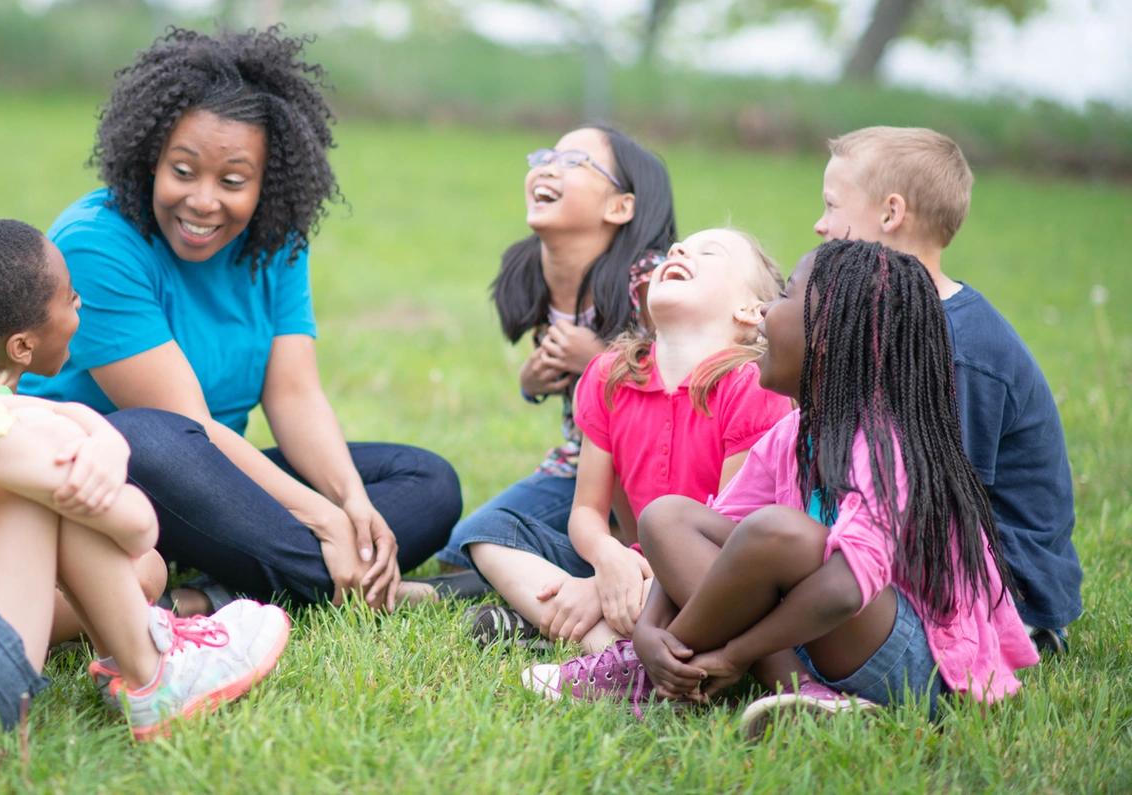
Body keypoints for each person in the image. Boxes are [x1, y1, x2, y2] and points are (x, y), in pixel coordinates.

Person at [20, 28, 462, 615]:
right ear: (151, 159)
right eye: (183, 171)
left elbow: (295, 394)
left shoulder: (275, 242)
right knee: (147, 436)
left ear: (265, 182)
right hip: (120, 481)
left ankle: (212, 593)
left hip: (218, 482)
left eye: (232, 181)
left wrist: (349, 502)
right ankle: (363, 587)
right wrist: (322, 519)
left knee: (427, 480)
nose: (203, 202)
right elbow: (187, 427)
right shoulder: (98, 245)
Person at [522, 242, 1039, 739]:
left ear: (833, 333)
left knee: (776, 532)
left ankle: (653, 674)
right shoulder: (791, 436)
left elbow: (844, 588)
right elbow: (708, 536)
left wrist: (733, 653)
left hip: (911, 663)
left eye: (786, 296)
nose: (766, 309)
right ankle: (800, 693)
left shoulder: (886, 442)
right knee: (667, 517)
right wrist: (649, 629)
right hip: (810, 644)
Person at [0, 257, 290, 742]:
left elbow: (43, 411)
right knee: (53, 492)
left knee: (51, 473)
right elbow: (138, 527)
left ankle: (136, 651)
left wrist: (104, 440)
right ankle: (152, 676)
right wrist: (99, 463)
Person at [811, 126, 1081, 653]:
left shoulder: (958, 350)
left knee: (817, 606)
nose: (820, 225)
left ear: (890, 214)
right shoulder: (890, 323)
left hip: (1004, 595)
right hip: (926, 553)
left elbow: (945, 513)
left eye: (831, 205)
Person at [465, 228, 792, 653]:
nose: (678, 251)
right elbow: (586, 510)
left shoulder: (751, 387)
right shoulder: (609, 375)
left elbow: (726, 536)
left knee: (707, 596)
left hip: (708, 574)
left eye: (708, 252)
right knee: (491, 531)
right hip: (630, 562)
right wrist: (606, 559)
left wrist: (612, 582)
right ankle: (615, 646)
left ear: (750, 311)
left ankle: (573, 630)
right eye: (679, 248)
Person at [430, 125, 677, 596]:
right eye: (545, 155)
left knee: (492, 544)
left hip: (657, 475)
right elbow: (552, 375)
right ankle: (580, 563)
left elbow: (688, 379)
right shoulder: (532, 271)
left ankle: (608, 565)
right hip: (580, 468)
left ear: (620, 206)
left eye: (574, 161)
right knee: (460, 546)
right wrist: (532, 380)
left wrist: (600, 359)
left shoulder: (650, 280)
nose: (547, 165)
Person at [0, 219, 168, 644]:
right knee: (148, 569)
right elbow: (137, 534)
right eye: (71, 298)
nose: (80, 306)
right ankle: (152, 637)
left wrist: (102, 436)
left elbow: (60, 411)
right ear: (22, 347)